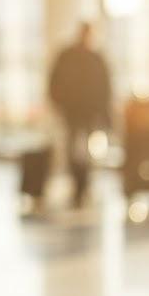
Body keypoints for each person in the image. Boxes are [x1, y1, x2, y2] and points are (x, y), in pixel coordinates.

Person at [48, 21, 112, 207]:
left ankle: (85, 186)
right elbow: (54, 82)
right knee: (74, 150)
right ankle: (78, 186)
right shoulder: (67, 56)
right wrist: (57, 104)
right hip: (72, 112)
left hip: (90, 114)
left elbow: (105, 88)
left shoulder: (96, 58)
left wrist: (104, 114)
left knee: (89, 152)